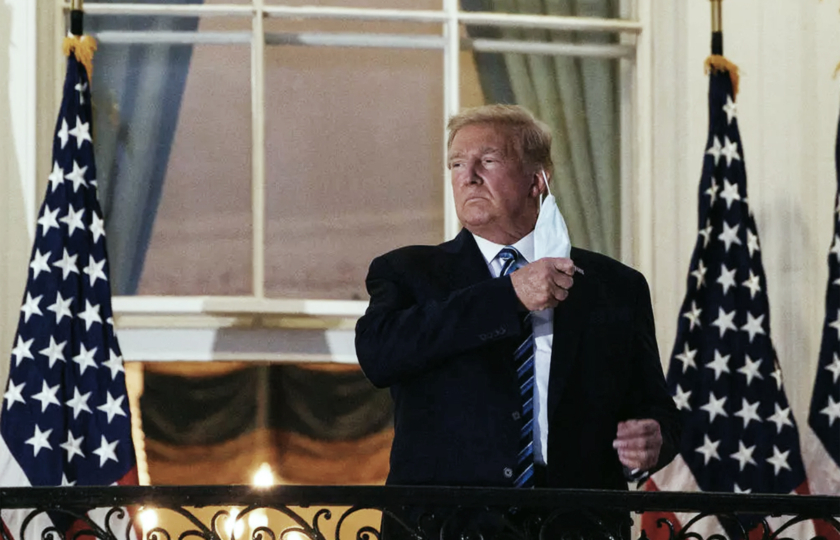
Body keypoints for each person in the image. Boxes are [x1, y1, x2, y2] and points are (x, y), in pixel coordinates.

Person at [355, 104, 680, 539]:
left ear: (537, 180)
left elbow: (655, 408)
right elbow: (378, 356)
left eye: (488, 160)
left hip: (576, 527)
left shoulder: (615, 287)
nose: (468, 176)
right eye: (457, 164)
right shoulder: (409, 272)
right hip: (444, 527)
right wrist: (508, 295)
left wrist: (653, 439)